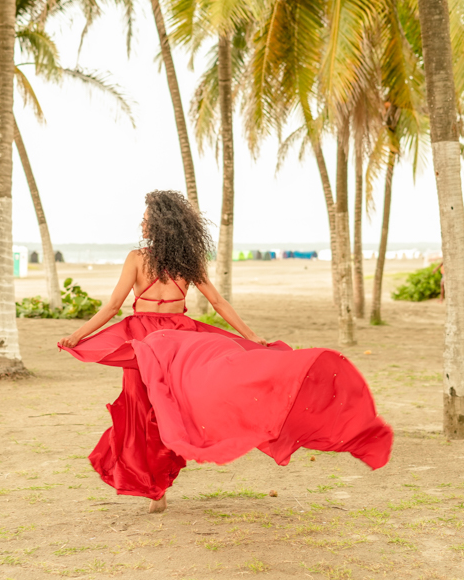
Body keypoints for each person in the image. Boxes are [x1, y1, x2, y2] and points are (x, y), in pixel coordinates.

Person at [58, 190, 392, 514]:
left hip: (148, 344)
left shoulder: (137, 258)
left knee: (144, 411)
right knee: (170, 410)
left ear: (159, 224)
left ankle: (155, 489)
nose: (142, 225)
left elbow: (114, 306)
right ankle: (158, 485)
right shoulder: (188, 262)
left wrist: (79, 334)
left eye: (146, 220)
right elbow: (217, 304)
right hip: (178, 341)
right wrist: (250, 336)